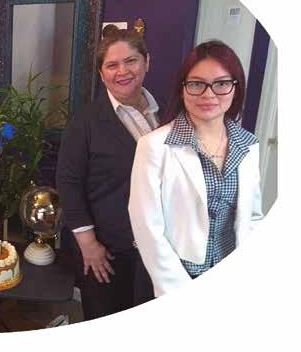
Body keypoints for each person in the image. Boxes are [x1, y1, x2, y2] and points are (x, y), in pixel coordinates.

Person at [128, 40, 263, 297]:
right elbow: (146, 227)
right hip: (177, 278)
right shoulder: (154, 146)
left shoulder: (248, 144)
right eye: (197, 84)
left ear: (236, 89)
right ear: (183, 89)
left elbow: (253, 216)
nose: (208, 94)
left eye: (221, 84)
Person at [56, 26, 158, 320]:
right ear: (102, 74)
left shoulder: (164, 113)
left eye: (131, 61)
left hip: (153, 245)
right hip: (107, 250)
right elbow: (68, 183)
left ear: (147, 62)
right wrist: (88, 245)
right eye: (112, 65)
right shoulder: (85, 122)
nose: (122, 71)